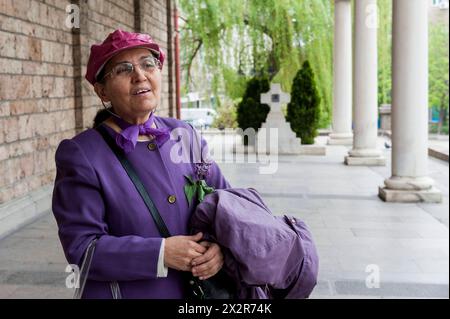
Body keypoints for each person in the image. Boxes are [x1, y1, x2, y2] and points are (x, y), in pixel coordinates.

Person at [52, 29, 231, 299]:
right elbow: (82, 249)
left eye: (148, 64)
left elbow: (226, 203)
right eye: (124, 69)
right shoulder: (81, 153)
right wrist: (161, 253)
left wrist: (220, 248)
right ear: (102, 90)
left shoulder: (185, 135)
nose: (140, 75)